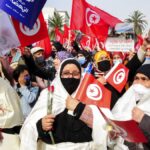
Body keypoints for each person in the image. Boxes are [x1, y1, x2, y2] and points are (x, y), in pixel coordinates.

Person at [20, 58, 109, 150]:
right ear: (59, 75)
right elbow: (30, 127)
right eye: (66, 73)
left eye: (75, 73)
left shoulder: (90, 94)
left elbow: (106, 126)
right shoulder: (48, 94)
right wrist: (41, 126)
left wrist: (80, 109)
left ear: (81, 76)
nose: (70, 77)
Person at [112, 64, 150, 149]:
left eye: (144, 79)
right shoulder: (128, 98)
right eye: (136, 78)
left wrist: (143, 119)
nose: (139, 82)